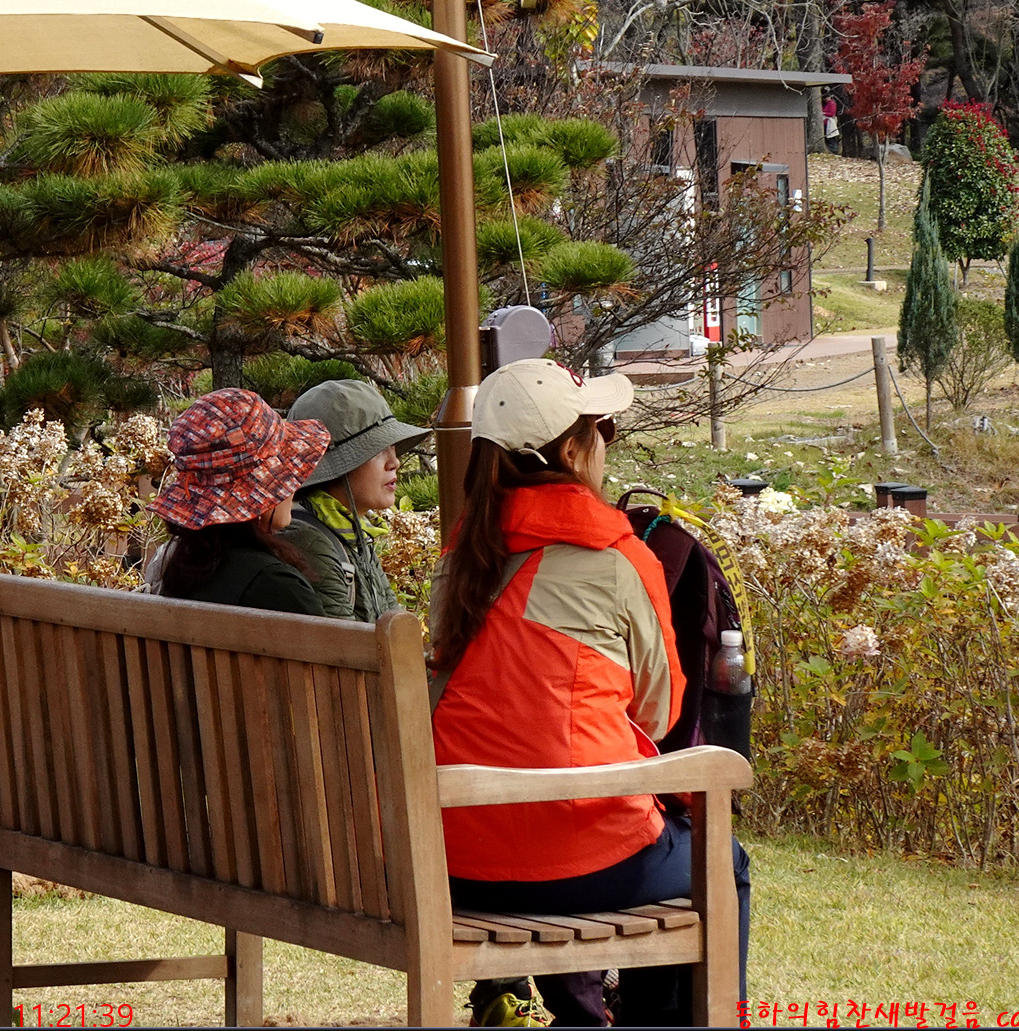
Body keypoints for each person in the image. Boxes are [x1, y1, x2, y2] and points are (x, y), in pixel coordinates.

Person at [429, 358, 752, 1028]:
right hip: (574, 861)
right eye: (602, 429)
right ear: (573, 452)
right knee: (722, 862)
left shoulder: (461, 556)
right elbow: (658, 714)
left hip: (451, 860)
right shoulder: (616, 558)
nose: (606, 442)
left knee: (663, 844)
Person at [147, 387, 331, 612]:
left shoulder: (177, 570)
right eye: (287, 477)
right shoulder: (277, 588)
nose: (295, 487)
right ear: (262, 493)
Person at [279, 379, 430, 622]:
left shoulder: (351, 530)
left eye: (393, 447)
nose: (395, 462)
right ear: (339, 465)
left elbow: (393, 623)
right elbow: (344, 642)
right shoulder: (309, 541)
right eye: (378, 450)